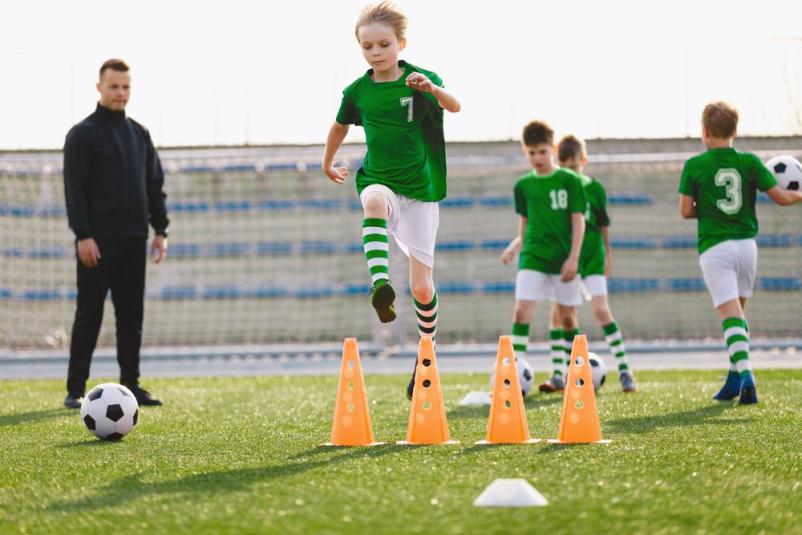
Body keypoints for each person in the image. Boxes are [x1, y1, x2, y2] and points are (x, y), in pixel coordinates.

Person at [322, 2, 460, 399]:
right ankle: (380, 283)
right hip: (379, 178)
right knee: (374, 202)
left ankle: (426, 353)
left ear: (401, 42)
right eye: (367, 46)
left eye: (383, 44)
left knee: (421, 287)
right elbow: (339, 124)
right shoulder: (359, 91)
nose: (376, 52)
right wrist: (327, 161)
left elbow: (455, 105)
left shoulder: (419, 80)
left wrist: (431, 89)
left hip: (419, 191)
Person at [62, 59, 169, 409]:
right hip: (97, 243)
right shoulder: (82, 134)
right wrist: (83, 235)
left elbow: (154, 184)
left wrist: (160, 230)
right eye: (113, 86)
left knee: (131, 318)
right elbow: (75, 190)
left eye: (125, 87)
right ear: (99, 88)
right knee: (89, 314)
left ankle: (132, 386)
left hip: (134, 240)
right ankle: (75, 388)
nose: (120, 93)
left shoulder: (139, 134)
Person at [679, 101, 802, 404]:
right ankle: (733, 380)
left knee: (730, 315)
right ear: (736, 130)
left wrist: (708, 210)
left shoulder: (695, 166)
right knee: (739, 315)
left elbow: (685, 211)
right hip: (747, 247)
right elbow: (783, 199)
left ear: (705, 132)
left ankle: (747, 375)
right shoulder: (749, 162)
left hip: (715, 248)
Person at [535, 135, 636, 393]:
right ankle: (561, 373)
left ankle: (625, 370)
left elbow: (603, 226)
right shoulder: (556, 187)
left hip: (591, 255)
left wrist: (608, 256)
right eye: (565, 167)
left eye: (575, 166)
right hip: (566, 255)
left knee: (602, 310)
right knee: (559, 314)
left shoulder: (594, 188)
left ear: (584, 161)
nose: (571, 172)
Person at [500, 121, 586, 387]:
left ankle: (579, 372)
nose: (537, 157)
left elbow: (578, 220)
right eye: (531, 152)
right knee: (521, 313)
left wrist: (573, 257)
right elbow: (526, 222)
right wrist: (517, 245)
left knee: (568, 318)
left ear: (553, 148)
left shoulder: (570, 180)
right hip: (533, 255)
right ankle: (513, 375)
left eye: (542, 151)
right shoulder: (523, 186)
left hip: (562, 259)